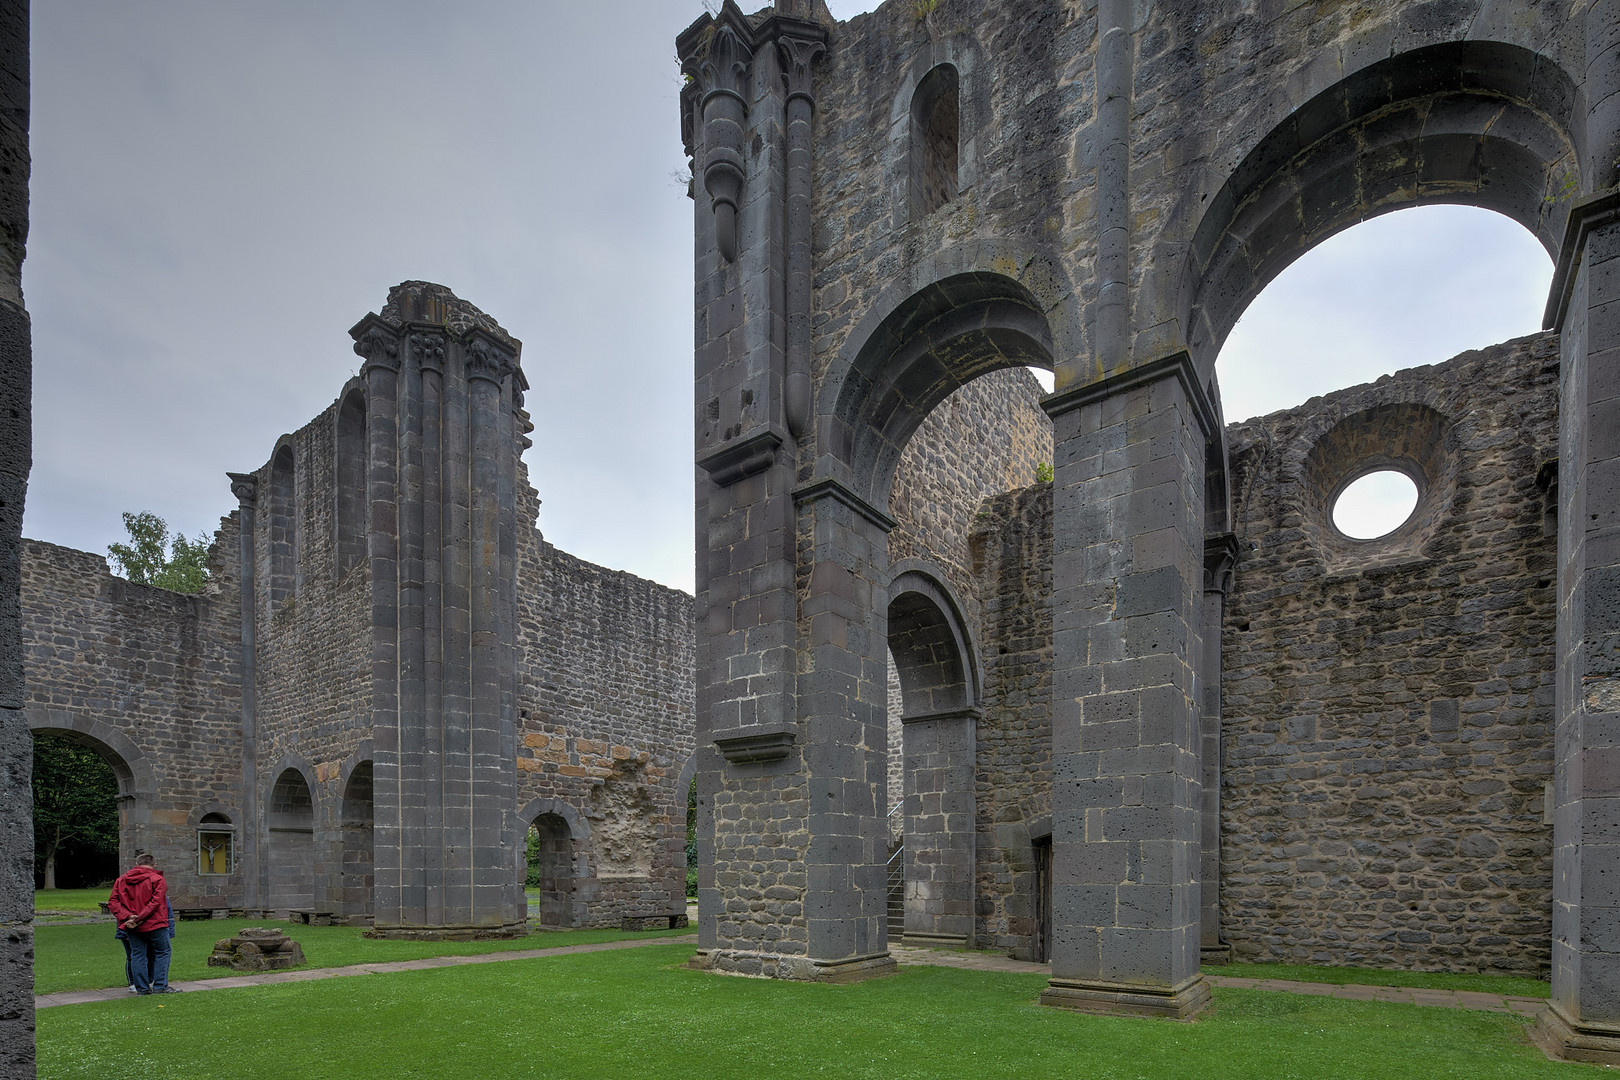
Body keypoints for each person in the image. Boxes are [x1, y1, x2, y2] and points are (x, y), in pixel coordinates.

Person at [107, 853, 180, 995]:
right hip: (155, 923)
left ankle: (141, 988)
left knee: (137, 954)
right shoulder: (157, 879)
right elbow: (155, 902)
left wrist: (128, 917)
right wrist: (138, 918)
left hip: (131, 924)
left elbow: (113, 902)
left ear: (137, 864)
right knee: (162, 952)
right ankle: (160, 986)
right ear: (154, 865)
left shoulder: (121, 880)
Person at [115, 892, 175, 993]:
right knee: (135, 955)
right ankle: (136, 983)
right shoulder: (130, 889)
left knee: (146, 955)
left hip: (145, 927)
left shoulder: (126, 886)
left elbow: (166, 910)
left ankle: (147, 983)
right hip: (137, 927)